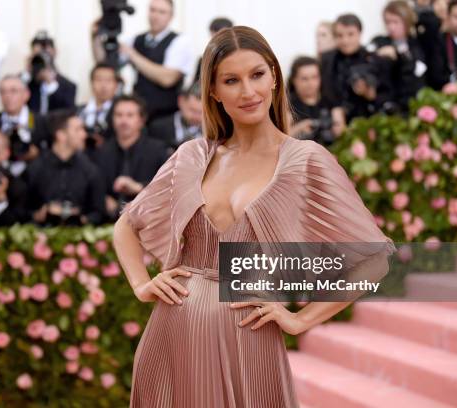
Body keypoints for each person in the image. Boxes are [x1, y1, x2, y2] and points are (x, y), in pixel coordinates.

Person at [113, 26, 395, 407]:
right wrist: (139, 283)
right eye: (231, 80)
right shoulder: (192, 157)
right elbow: (127, 225)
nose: (248, 92)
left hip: (248, 344)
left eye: (257, 75)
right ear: (212, 91)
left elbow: (373, 260)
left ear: (275, 77)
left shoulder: (306, 161)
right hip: (170, 339)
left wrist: (301, 320)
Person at [91, 0, 194, 122]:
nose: (155, 16)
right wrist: (95, 37)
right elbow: (105, 65)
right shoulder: (137, 40)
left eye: (162, 12)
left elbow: (168, 79)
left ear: (171, 16)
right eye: (152, 10)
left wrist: (133, 55)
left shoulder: (180, 41)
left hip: (166, 116)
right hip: (139, 116)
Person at [94, 94, 169, 221]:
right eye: (119, 115)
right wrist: (102, 199)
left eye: (130, 115)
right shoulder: (102, 151)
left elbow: (168, 187)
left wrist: (138, 188)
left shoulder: (158, 150)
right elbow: (93, 186)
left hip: (149, 221)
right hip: (107, 222)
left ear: (141, 120)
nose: (123, 121)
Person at [26, 110, 106, 227]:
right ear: (61, 135)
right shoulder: (35, 169)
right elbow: (21, 211)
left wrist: (79, 218)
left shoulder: (90, 170)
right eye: (78, 129)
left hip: (80, 238)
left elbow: (99, 212)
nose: (84, 135)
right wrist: (39, 214)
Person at [320, 13, 396, 121]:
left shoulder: (375, 60)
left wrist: (371, 95)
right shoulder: (327, 60)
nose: (345, 41)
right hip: (334, 122)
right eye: (340, 35)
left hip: (367, 123)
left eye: (350, 34)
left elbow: (389, 96)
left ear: (360, 33)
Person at [368, 1, 428, 112]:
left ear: (406, 21)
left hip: (415, 101)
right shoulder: (380, 42)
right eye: (388, 22)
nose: (391, 27)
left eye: (395, 22)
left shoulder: (417, 43)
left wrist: (399, 54)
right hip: (390, 103)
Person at [0, 74, 49, 176]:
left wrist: (36, 154)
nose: (7, 96)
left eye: (13, 91)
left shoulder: (41, 122)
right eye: (3, 92)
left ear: (26, 94)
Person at [287, 56, 345, 146]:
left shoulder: (330, 100)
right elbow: (281, 138)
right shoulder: (288, 105)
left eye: (314, 77)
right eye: (304, 79)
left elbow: (341, 128)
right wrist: (300, 128)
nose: (310, 83)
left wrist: (338, 128)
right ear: (294, 80)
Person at [26, 31, 77, 115]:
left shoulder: (68, 86)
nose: (43, 56)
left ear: (55, 51)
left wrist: (51, 85)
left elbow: (67, 114)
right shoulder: (27, 84)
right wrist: (28, 71)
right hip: (32, 127)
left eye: (46, 53)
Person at [148, 81, 203, 154]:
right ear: (181, 101)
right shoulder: (157, 128)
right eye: (192, 110)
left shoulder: (215, 132)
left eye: (202, 112)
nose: (196, 116)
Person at [78, 62, 122, 150]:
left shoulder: (121, 113)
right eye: (98, 80)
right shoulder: (78, 111)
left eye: (108, 81)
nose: (103, 85)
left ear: (116, 85)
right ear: (91, 83)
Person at [194, 17, 234, 83]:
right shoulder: (204, 59)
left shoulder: (239, 56)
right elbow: (196, 83)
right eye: (214, 36)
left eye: (221, 35)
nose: (217, 39)